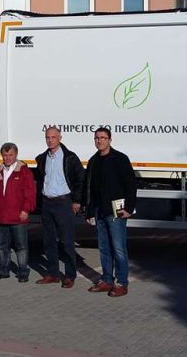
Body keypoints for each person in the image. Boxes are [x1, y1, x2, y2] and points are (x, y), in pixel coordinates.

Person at [83, 127, 136, 297]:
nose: (100, 141)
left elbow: (130, 184)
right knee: (104, 248)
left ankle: (121, 282)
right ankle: (107, 280)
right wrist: (89, 212)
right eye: (97, 138)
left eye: (103, 138)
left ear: (110, 140)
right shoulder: (93, 161)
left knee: (119, 249)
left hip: (116, 211)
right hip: (99, 211)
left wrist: (129, 208)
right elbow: (89, 189)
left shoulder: (120, 159)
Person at [33, 126, 85, 288]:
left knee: (67, 241)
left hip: (64, 203)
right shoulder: (42, 158)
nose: (50, 140)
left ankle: (69, 275)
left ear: (60, 138)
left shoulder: (70, 157)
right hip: (47, 203)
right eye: (48, 137)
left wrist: (76, 200)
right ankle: (52, 274)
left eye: (53, 137)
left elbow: (80, 179)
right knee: (49, 241)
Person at [0, 142, 36, 282]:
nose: (7, 158)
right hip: (0, 216)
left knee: (21, 246)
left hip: (18, 216)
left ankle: (23, 271)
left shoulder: (24, 172)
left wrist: (26, 210)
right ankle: (3, 270)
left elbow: (30, 194)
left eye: (10, 155)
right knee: (2, 246)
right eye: (5, 155)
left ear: (16, 155)